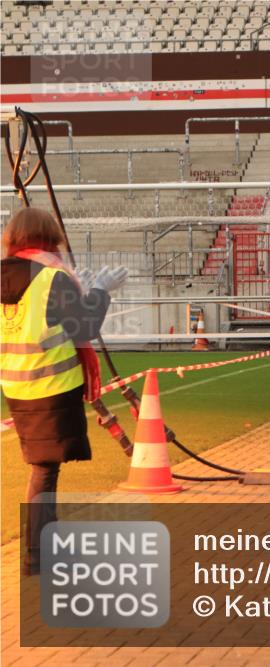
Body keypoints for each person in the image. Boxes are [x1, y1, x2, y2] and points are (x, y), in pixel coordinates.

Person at [1, 207, 127, 575]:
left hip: (16, 385)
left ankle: (43, 548)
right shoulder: (51, 276)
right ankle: (37, 555)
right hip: (52, 386)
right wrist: (100, 292)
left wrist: (81, 292)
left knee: (44, 467)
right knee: (44, 471)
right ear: (50, 236)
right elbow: (83, 324)